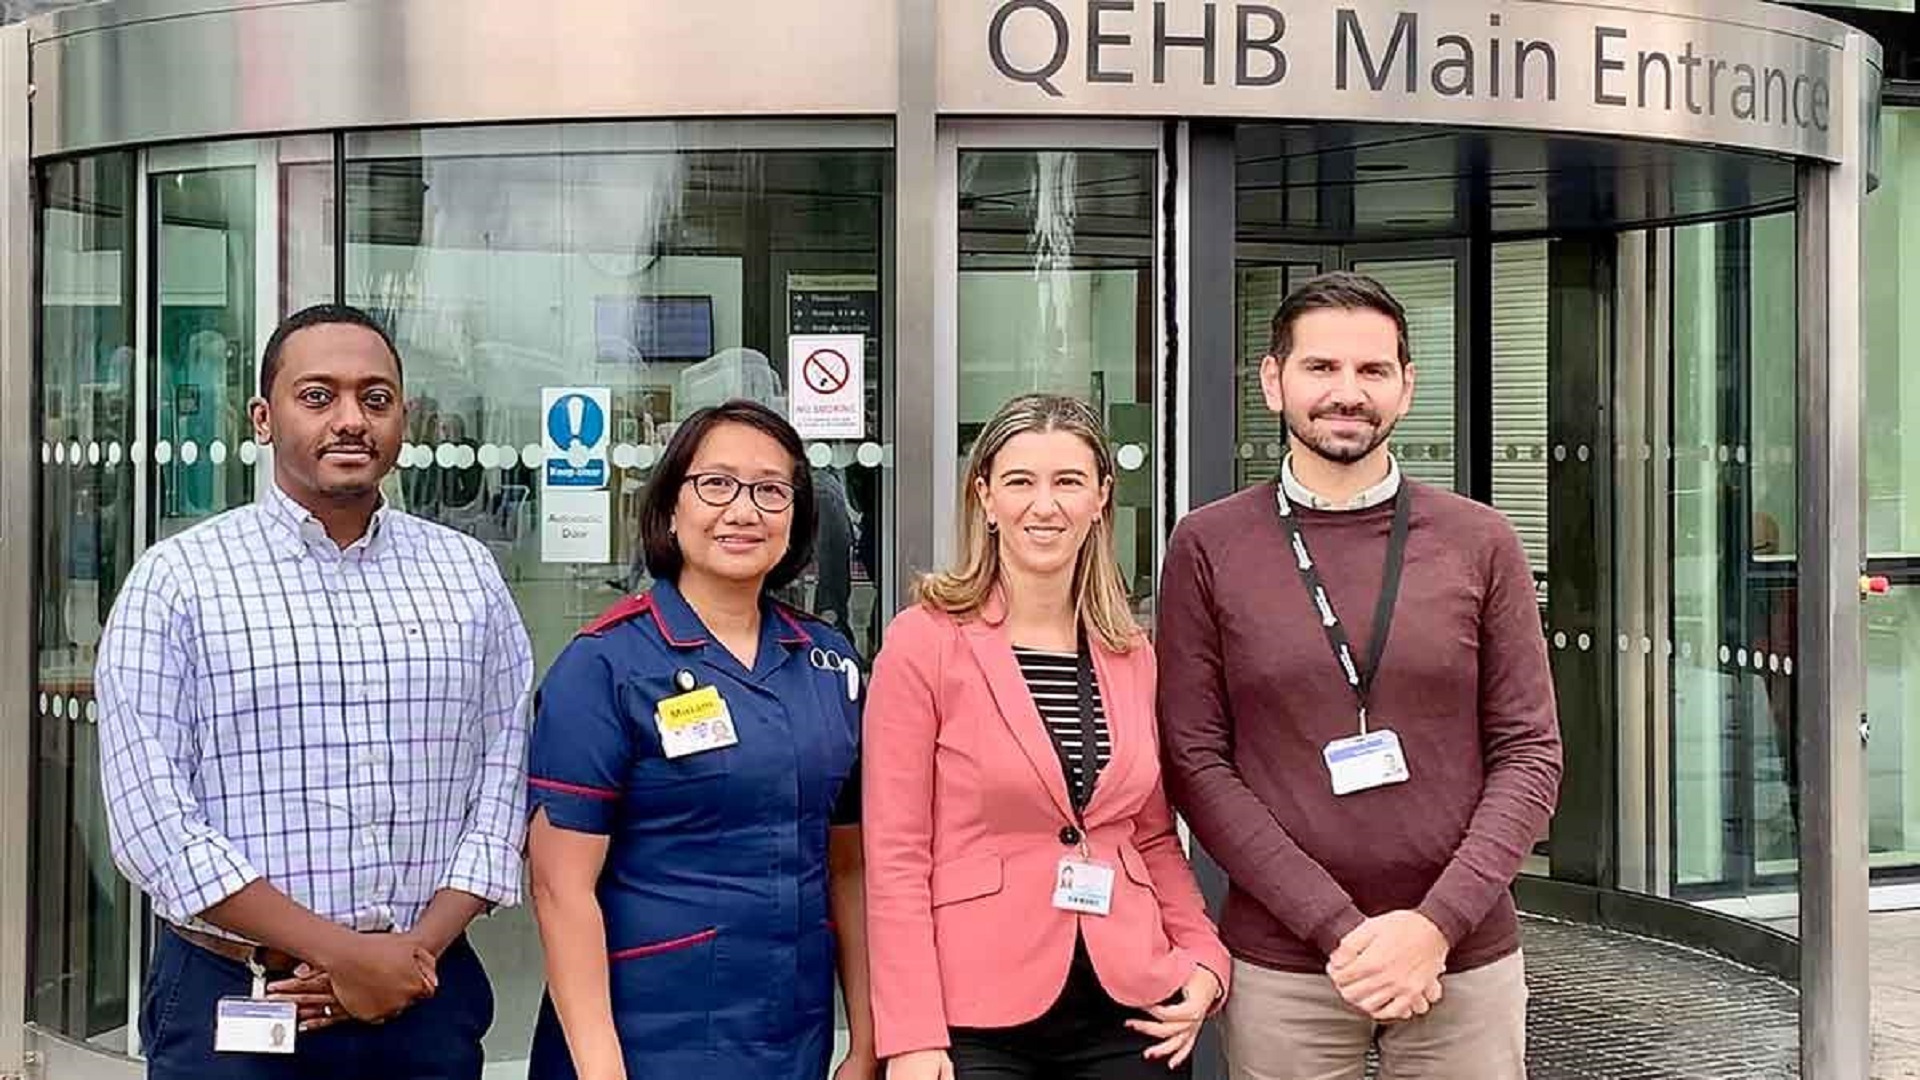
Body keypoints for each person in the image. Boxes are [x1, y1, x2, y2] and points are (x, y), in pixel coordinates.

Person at [96, 303, 534, 1080]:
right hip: (242, 996)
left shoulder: (467, 576)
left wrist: (406, 959)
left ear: (404, 417)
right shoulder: (180, 581)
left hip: (425, 995)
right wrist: (342, 957)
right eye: (317, 395)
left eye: (376, 398)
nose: (350, 420)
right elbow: (153, 824)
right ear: (263, 419)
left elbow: (502, 781)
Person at [1155, 271, 1563, 1080]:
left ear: (1407, 388)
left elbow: (1530, 753)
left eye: (1373, 371)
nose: (1348, 393)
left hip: (1463, 957)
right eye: (1321, 368)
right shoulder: (1208, 545)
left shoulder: (1481, 542)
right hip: (1285, 963)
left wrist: (1433, 928)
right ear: (1274, 381)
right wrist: (1337, 928)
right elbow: (1196, 764)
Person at [864, 393, 1230, 1080]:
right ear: (986, 499)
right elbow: (896, 856)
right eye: (1020, 482)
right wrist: (909, 1032)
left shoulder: (1129, 652)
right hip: (976, 1013)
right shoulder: (925, 643)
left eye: (1068, 482)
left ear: (1100, 499)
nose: (1045, 505)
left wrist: (1205, 957)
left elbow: (1149, 836)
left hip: (1131, 1003)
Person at [525, 399, 874, 1080]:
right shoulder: (605, 666)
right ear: (671, 506)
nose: (743, 511)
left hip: (788, 1036)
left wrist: (864, 1041)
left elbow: (849, 868)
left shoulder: (828, 665)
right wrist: (601, 1070)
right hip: (645, 1040)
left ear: (798, 516)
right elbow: (560, 888)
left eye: (772, 491)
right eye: (715, 485)